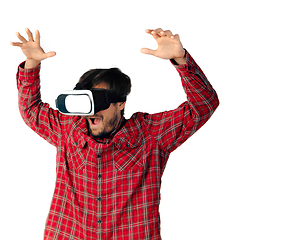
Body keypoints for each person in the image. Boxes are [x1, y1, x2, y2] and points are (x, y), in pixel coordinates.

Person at [11, 27, 219, 240]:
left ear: (121, 103)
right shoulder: (69, 129)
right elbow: (30, 110)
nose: (92, 112)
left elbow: (204, 106)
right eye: (87, 102)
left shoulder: (150, 134)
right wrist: (32, 64)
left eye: (99, 101)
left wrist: (181, 60)